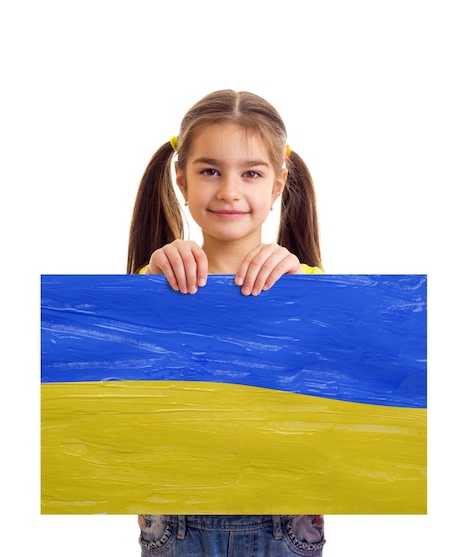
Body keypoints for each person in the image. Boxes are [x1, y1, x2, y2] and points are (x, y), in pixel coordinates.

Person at [127, 89, 326, 557]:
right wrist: (148, 288)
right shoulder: (146, 286)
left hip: (286, 520)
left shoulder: (315, 288)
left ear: (277, 185)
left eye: (251, 173)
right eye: (210, 171)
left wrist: (303, 291)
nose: (230, 190)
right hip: (176, 521)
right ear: (181, 179)